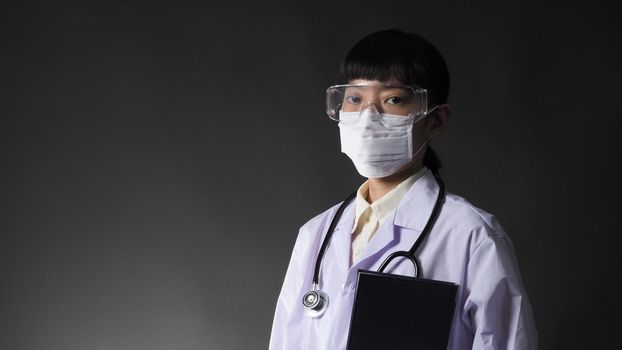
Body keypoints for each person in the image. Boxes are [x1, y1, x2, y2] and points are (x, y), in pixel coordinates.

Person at [269, 29, 537, 350]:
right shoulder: (316, 234)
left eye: (393, 99)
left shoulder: (472, 235)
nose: (368, 117)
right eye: (355, 98)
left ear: (435, 120)